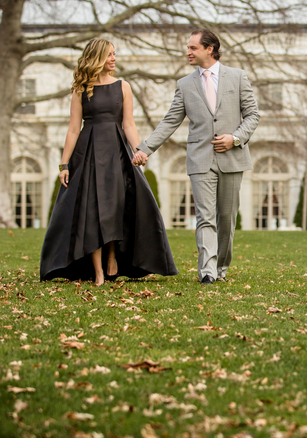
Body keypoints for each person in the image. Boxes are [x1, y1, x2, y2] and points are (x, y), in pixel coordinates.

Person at [40, 38, 177, 285]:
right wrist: (64, 165)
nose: (114, 58)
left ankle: (113, 256)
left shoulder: (123, 86)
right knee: (90, 210)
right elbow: (73, 129)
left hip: (117, 151)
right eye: (109, 55)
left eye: (115, 54)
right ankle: (98, 271)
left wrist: (138, 151)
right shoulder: (81, 89)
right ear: (97, 57)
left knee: (116, 205)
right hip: (88, 152)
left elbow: (128, 124)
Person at [131, 29, 259, 285]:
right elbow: (170, 121)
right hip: (200, 159)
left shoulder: (237, 77)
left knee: (227, 218)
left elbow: (253, 115)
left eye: (193, 48)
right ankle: (208, 271)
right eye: (187, 48)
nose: (187, 52)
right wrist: (145, 148)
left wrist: (234, 138)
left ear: (210, 48)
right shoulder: (185, 84)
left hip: (232, 158)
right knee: (205, 216)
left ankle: (221, 267)